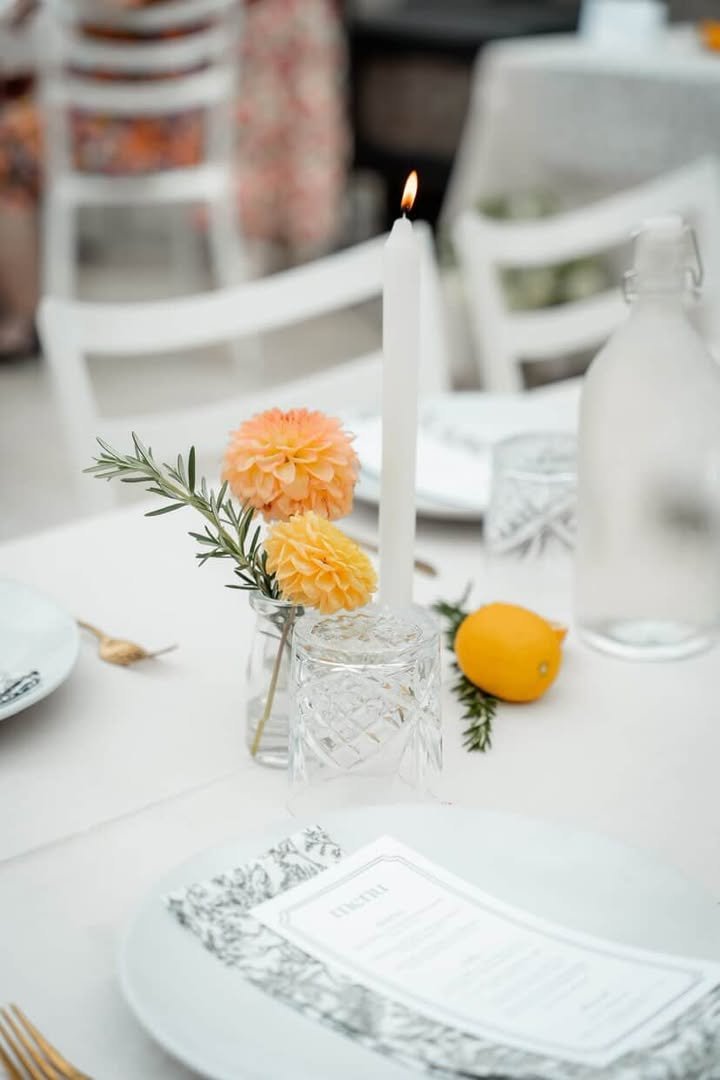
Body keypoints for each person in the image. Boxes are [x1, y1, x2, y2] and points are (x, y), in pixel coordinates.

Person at [0, 0, 348, 357]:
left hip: (146, 129)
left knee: (7, 146)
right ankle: (28, 313)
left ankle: (27, 321)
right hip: (190, 122)